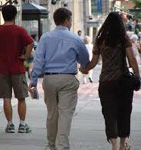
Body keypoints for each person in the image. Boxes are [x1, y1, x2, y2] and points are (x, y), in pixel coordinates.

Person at [29, 8, 89, 150]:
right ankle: (62, 146)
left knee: (52, 114)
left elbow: (39, 61)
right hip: (68, 79)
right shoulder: (75, 38)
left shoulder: (45, 37)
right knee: (65, 114)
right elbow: (85, 59)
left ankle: (51, 145)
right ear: (67, 20)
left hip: (49, 79)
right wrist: (83, 66)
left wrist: (34, 80)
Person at [80, 12, 140, 150]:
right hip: (123, 82)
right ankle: (122, 145)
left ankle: (114, 144)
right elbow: (132, 59)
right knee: (124, 112)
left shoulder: (100, 39)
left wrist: (84, 69)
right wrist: (137, 76)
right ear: (120, 24)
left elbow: (94, 62)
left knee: (109, 113)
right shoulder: (123, 38)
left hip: (106, 82)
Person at [0, 5, 33, 133]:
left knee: (6, 97)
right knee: (21, 97)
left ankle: (10, 124)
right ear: (15, 15)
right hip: (18, 67)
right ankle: (22, 124)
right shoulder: (20, 30)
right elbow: (30, 42)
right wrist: (26, 56)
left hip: (2, 68)